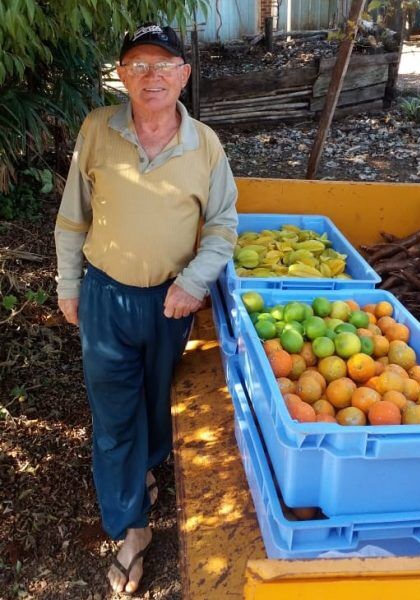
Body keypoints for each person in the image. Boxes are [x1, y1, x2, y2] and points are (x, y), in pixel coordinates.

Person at [55, 23, 238, 594]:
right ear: (121, 76)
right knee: (112, 415)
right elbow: (72, 217)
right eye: (137, 65)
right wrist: (68, 284)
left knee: (157, 399)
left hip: (170, 302)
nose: (150, 76)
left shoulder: (204, 144)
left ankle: (149, 467)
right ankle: (131, 528)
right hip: (106, 296)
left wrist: (193, 282)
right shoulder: (97, 129)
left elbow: (223, 224)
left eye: (164, 65)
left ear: (184, 76)